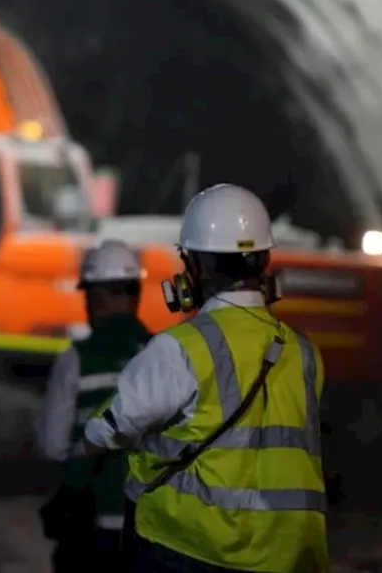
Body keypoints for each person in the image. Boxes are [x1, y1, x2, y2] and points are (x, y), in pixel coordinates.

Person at [82, 184, 328, 573]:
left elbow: (104, 433)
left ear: (197, 266)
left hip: (194, 548)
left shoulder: (180, 348)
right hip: (292, 554)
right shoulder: (304, 352)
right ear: (263, 261)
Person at [36, 239, 151, 572]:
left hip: (91, 527)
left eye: (88, 294)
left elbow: (54, 446)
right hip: (149, 528)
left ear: (98, 297)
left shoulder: (75, 359)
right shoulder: (164, 354)